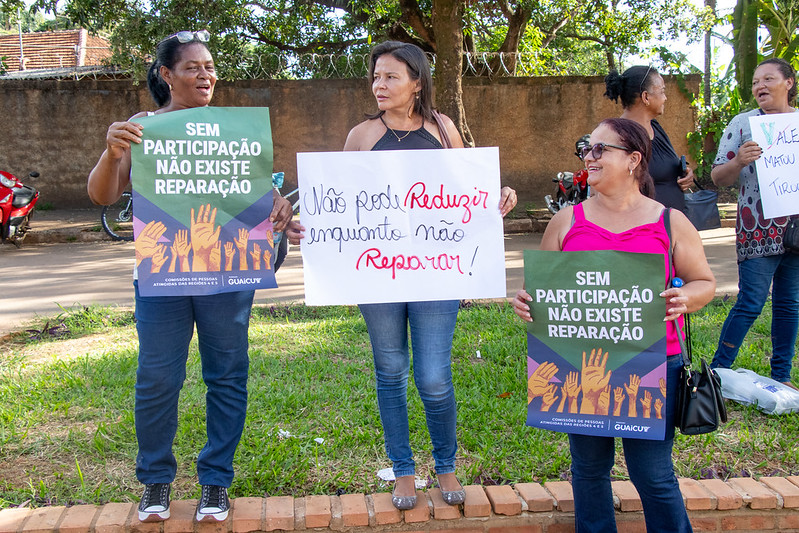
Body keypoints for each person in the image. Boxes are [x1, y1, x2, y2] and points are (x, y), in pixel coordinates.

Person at [287, 40, 517, 510]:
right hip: (377, 277)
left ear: (417, 82)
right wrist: (310, 230)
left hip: (437, 275)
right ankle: (404, 470)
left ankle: (446, 465)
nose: (379, 85)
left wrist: (496, 198)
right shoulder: (360, 136)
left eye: (391, 77)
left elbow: (464, 196)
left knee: (433, 376)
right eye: (375, 77)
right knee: (390, 370)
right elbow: (342, 208)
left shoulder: (443, 128)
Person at [87, 30, 292, 523]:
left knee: (227, 376)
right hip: (164, 276)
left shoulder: (231, 131)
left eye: (210, 67)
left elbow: (256, 199)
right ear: (166, 74)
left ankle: (216, 481)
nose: (206, 75)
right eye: (193, 67)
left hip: (226, 278)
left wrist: (277, 208)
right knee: (158, 377)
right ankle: (156, 480)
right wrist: (113, 153)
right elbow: (102, 196)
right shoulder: (142, 128)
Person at [512, 118, 715, 532]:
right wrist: (527, 302)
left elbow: (705, 283)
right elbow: (543, 290)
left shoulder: (670, 222)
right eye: (587, 148)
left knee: (652, 474)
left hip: (655, 364)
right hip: (580, 364)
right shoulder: (565, 222)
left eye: (601, 149)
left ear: (633, 160)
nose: (590, 156)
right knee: (588, 470)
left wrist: (686, 298)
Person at [709, 58, 799, 388]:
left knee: (790, 304)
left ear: (789, 82)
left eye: (768, 79)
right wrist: (739, 161)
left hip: (796, 232)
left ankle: (782, 375)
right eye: (756, 81)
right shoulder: (743, 123)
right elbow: (718, 176)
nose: (759, 86)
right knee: (750, 302)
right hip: (757, 230)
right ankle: (718, 374)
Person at [604, 66, 695, 211]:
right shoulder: (618, 136)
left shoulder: (655, 127)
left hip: (670, 224)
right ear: (646, 97)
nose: (665, 98)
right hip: (642, 228)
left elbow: (662, 168)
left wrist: (684, 174)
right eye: (662, 91)